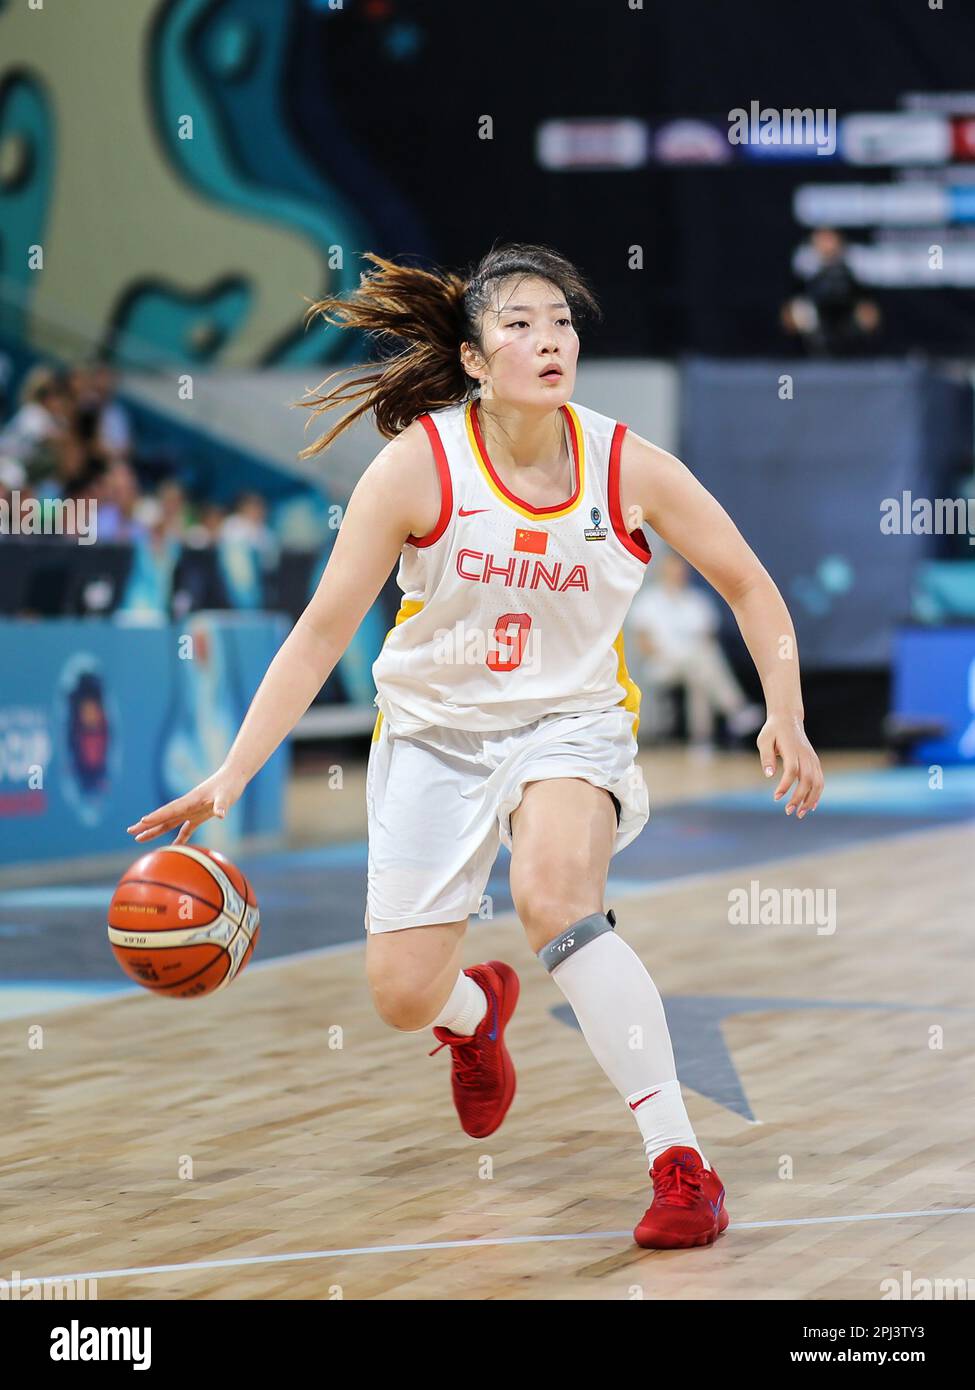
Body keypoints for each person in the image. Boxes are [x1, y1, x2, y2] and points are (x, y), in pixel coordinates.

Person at [127, 243, 825, 1252]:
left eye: (564, 323)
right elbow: (323, 629)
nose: (550, 340)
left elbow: (752, 584)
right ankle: (473, 1011)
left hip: (570, 724)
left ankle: (683, 1166)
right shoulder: (417, 467)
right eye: (521, 324)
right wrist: (234, 772)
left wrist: (786, 709)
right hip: (434, 734)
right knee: (400, 992)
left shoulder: (624, 462)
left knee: (556, 900)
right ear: (472, 357)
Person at [629, 550, 764, 751]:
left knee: (699, 675)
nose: (676, 573)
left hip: (695, 664)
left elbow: (708, 640)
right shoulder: (648, 601)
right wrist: (673, 655)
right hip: (662, 664)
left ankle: (701, 741)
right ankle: (736, 709)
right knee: (701, 663)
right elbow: (643, 644)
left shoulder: (698, 602)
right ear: (662, 570)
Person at [781, 227, 881, 358]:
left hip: (847, 311)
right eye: (822, 239)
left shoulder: (853, 260)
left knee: (867, 313)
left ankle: (858, 356)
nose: (826, 243)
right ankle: (804, 356)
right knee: (797, 312)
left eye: (830, 238)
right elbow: (794, 296)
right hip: (817, 314)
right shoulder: (805, 262)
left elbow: (866, 296)